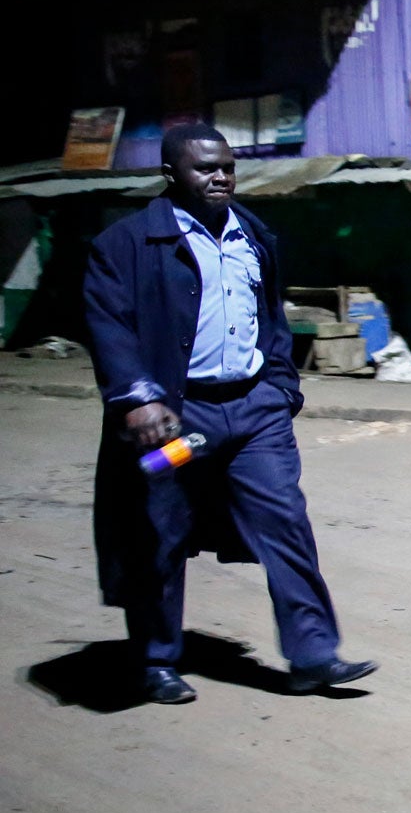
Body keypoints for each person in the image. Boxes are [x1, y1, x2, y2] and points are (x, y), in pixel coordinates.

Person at [83, 123, 377, 705]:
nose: (220, 178)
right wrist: (140, 396)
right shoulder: (127, 245)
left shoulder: (255, 236)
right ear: (171, 175)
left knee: (285, 520)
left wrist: (280, 385)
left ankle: (313, 654)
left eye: (227, 168)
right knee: (159, 531)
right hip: (178, 421)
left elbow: (270, 316)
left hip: (254, 413)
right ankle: (156, 661)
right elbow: (108, 327)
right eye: (204, 169)